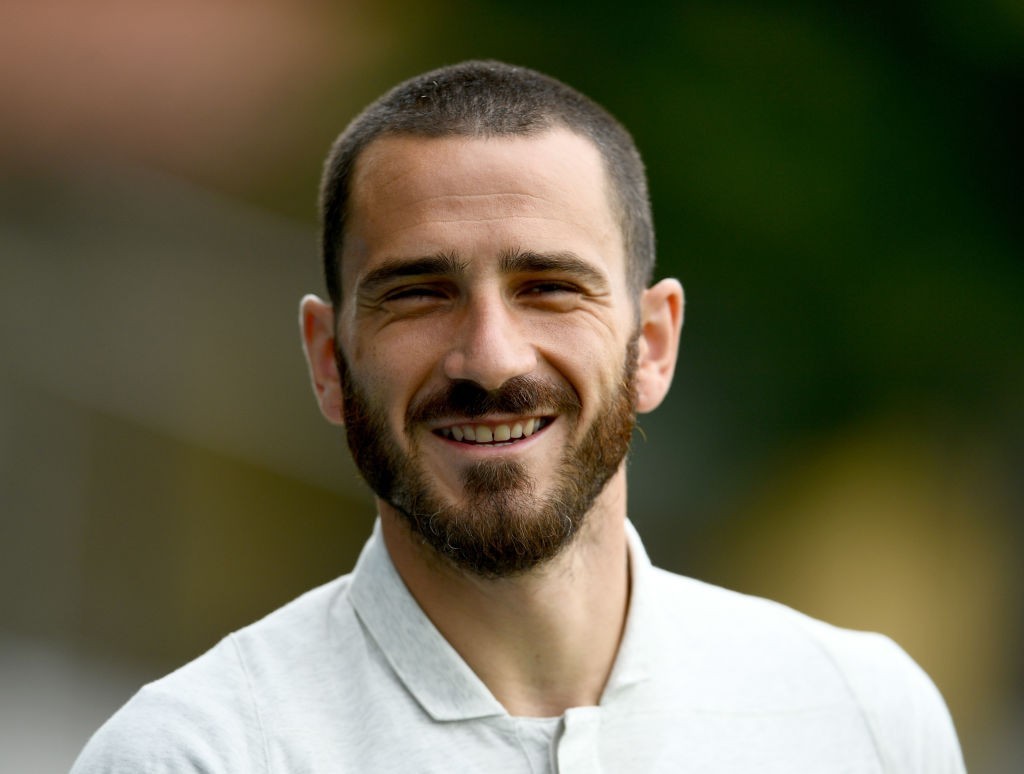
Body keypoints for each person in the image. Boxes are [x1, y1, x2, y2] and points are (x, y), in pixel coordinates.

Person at [72, 60, 965, 772]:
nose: (491, 358)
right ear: (328, 359)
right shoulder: (197, 754)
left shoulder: (866, 719)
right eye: (418, 293)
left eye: (549, 287)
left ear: (653, 343)